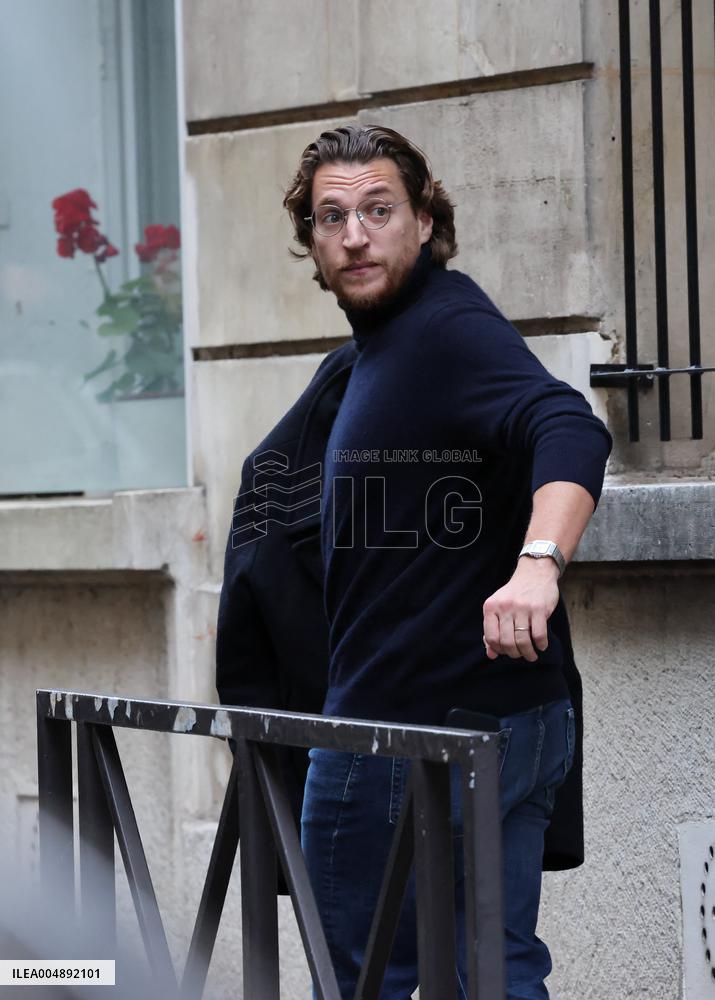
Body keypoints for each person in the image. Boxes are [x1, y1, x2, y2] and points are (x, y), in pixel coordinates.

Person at [276, 123, 613, 1000]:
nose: (355, 235)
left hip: (405, 732)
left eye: (379, 210)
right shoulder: (381, 353)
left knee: (364, 984)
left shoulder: (444, 328)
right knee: (490, 981)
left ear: (425, 221)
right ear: (309, 240)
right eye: (332, 216)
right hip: (499, 718)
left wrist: (538, 562)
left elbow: (568, 423)